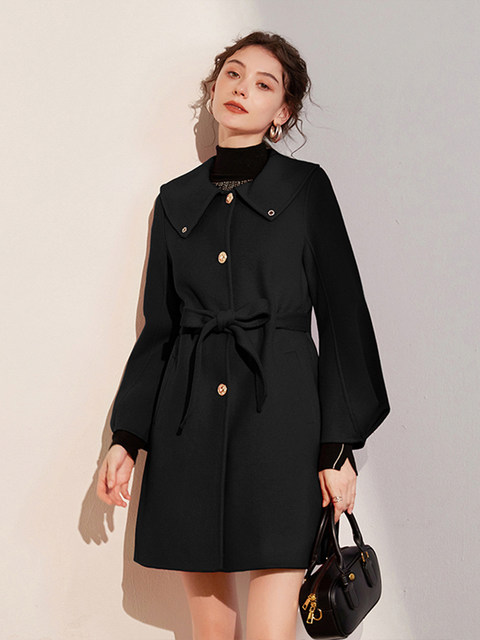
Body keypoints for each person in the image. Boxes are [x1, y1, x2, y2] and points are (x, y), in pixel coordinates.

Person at [97, 31, 390, 640]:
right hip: (189, 427)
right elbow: (160, 330)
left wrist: (338, 447)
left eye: (263, 84)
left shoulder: (306, 189)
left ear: (282, 111)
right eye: (233, 74)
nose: (242, 89)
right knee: (210, 633)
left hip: (281, 423)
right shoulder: (175, 201)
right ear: (213, 89)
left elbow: (344, 317)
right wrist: (127, 437)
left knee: (268, 633)